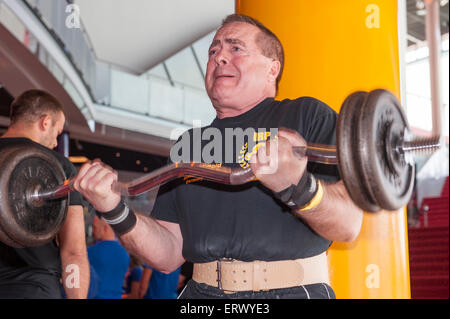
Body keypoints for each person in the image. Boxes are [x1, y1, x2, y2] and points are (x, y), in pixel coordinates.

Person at [72, 14, 364, 299]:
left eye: (235, 48)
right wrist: (112, 207)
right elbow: (169, 253)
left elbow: (349, 224)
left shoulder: (306, 115)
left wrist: (297, 186)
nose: (219, 57)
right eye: (214, 51)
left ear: (272, 69)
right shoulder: (189, 146)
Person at [0, 89, 89, 298]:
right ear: (45, 122)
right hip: (34, 287)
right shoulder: (59, 167)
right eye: (57, 133)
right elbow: (73, 251)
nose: (56, 143)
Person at [87, 215, 130, 299]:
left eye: (94, 227)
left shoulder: (90, 251)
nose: (92, 231)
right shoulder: (125, 254)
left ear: (105, 228)